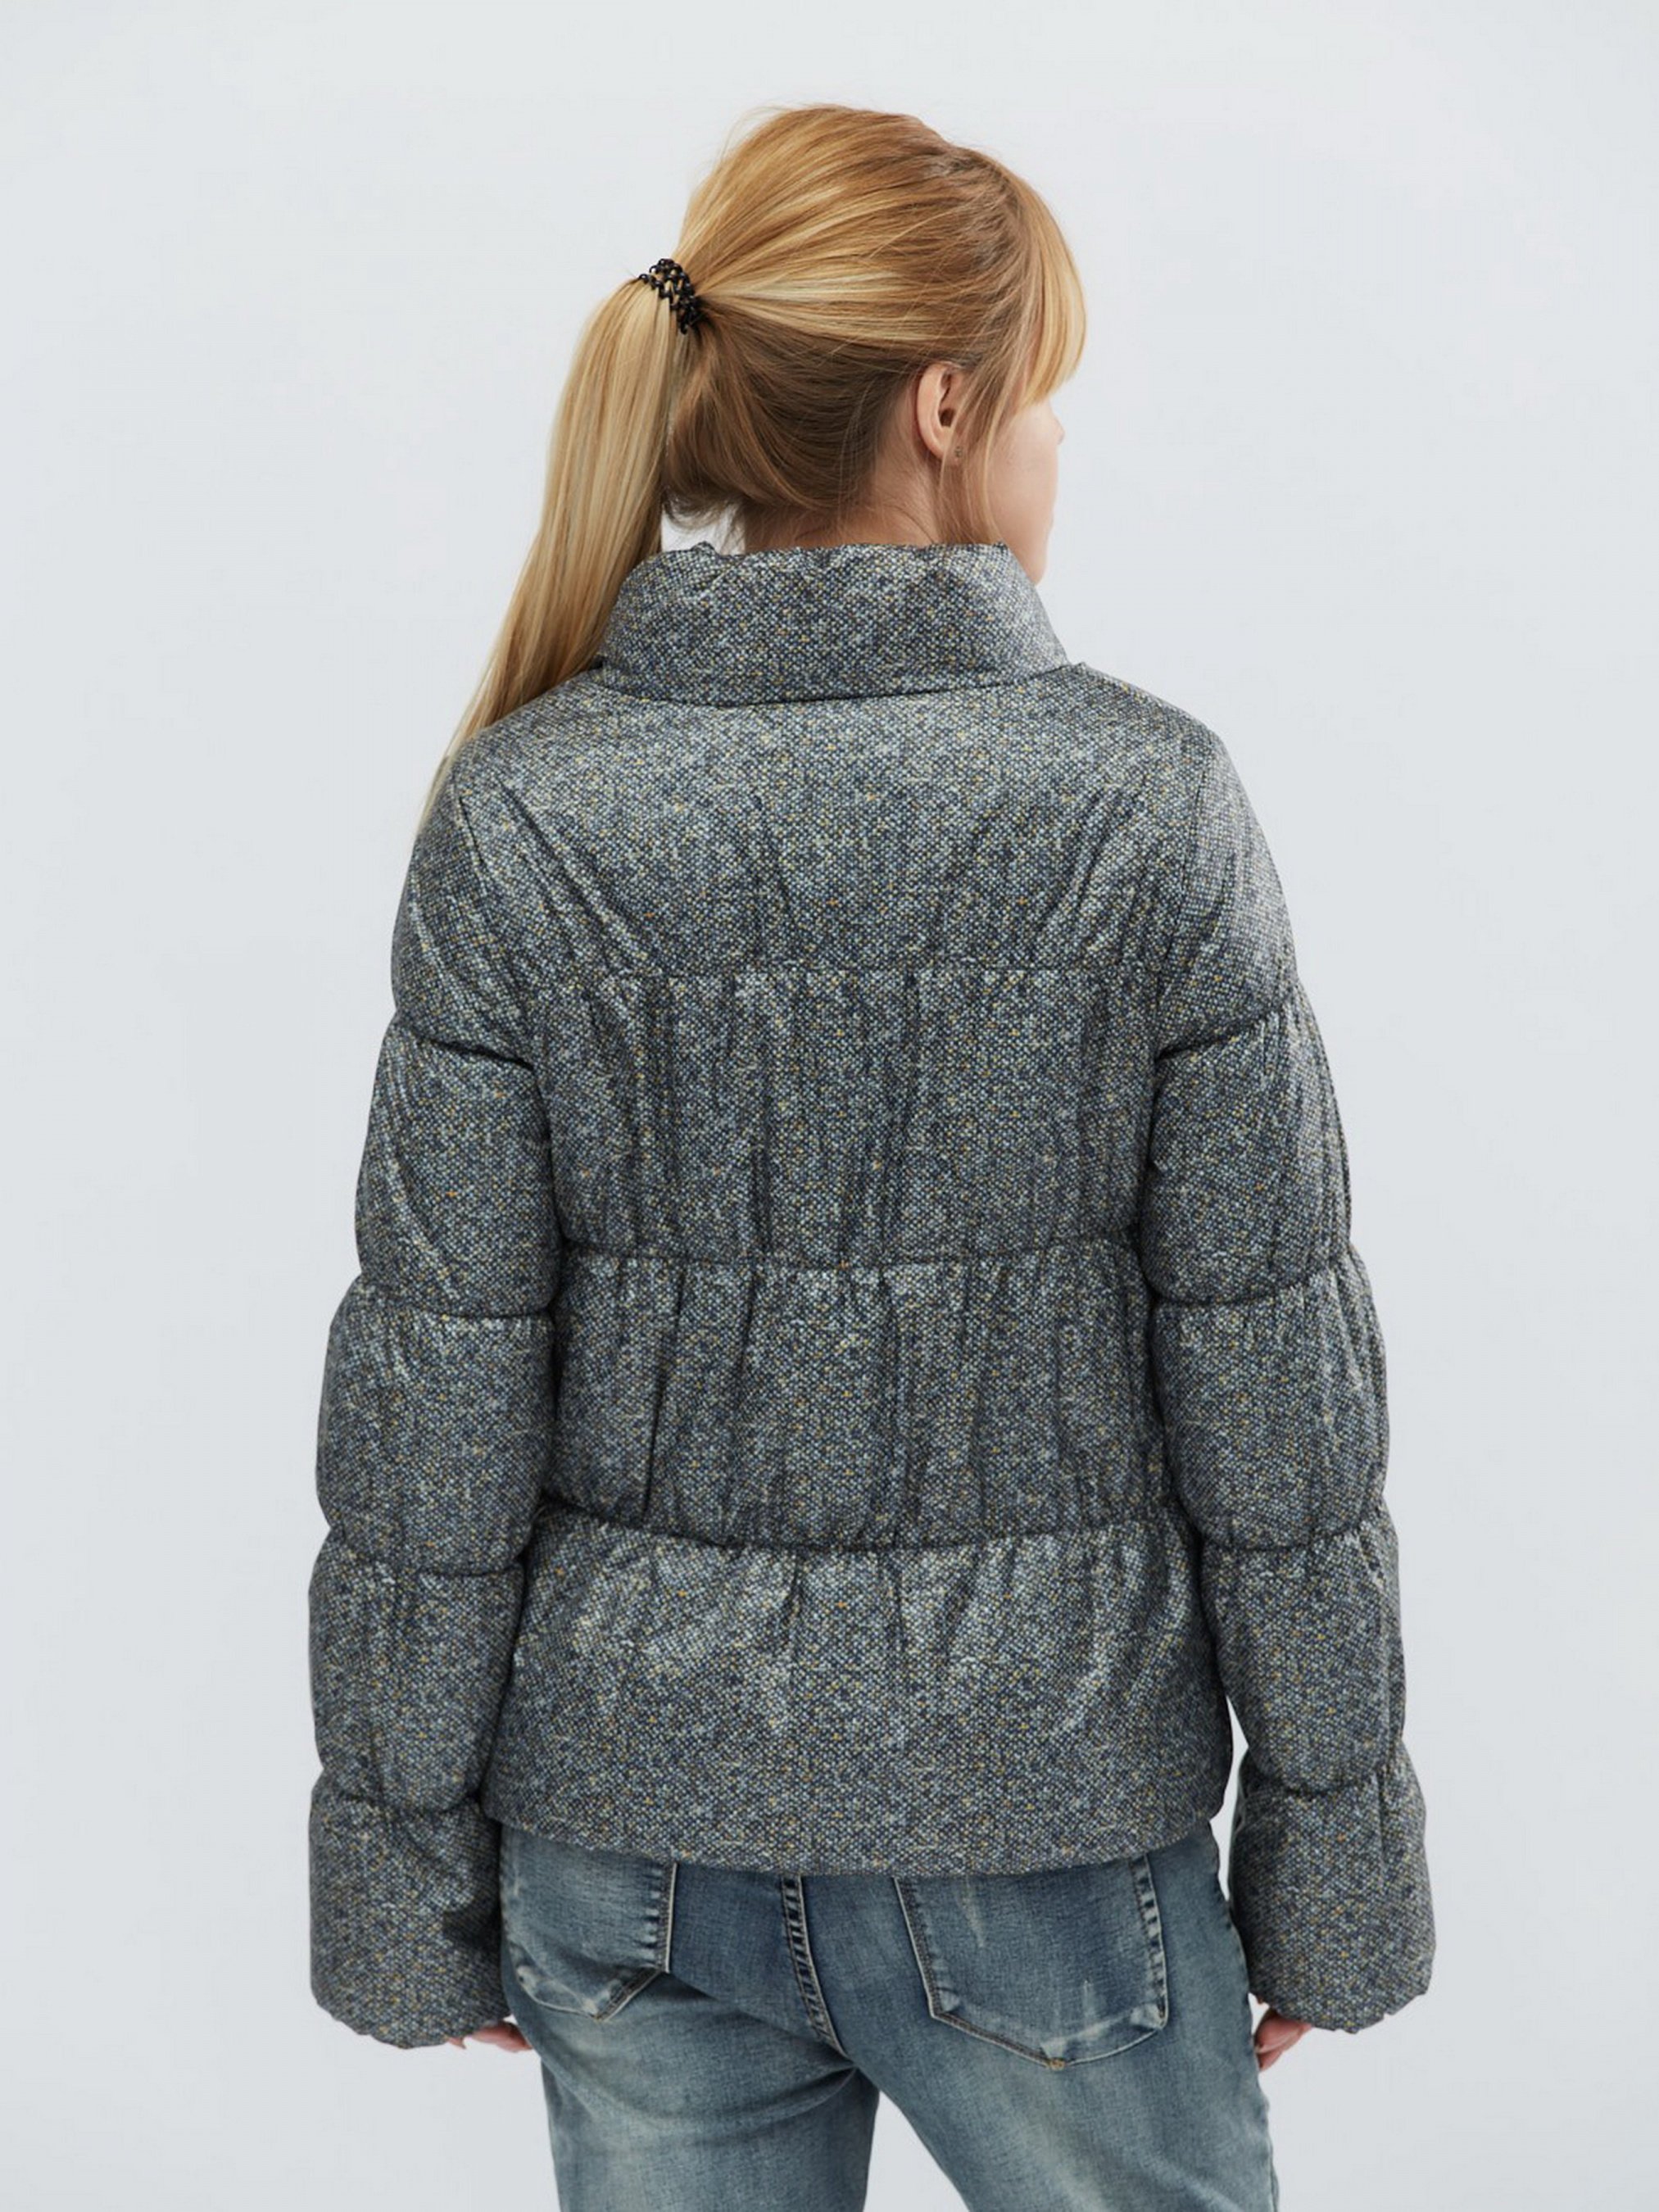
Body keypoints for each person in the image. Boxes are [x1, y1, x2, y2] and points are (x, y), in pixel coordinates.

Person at [306, 99, 1434, 2210]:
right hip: (1045, 1827)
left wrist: (399, 1869)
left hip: (631, 1837)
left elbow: (430, 1406)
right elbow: (1276, 1396)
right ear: (944, 407)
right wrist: (1335, 1857)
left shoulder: (524, 814)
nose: (1060, 445)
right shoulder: (1146, 807)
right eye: (1047, 396)